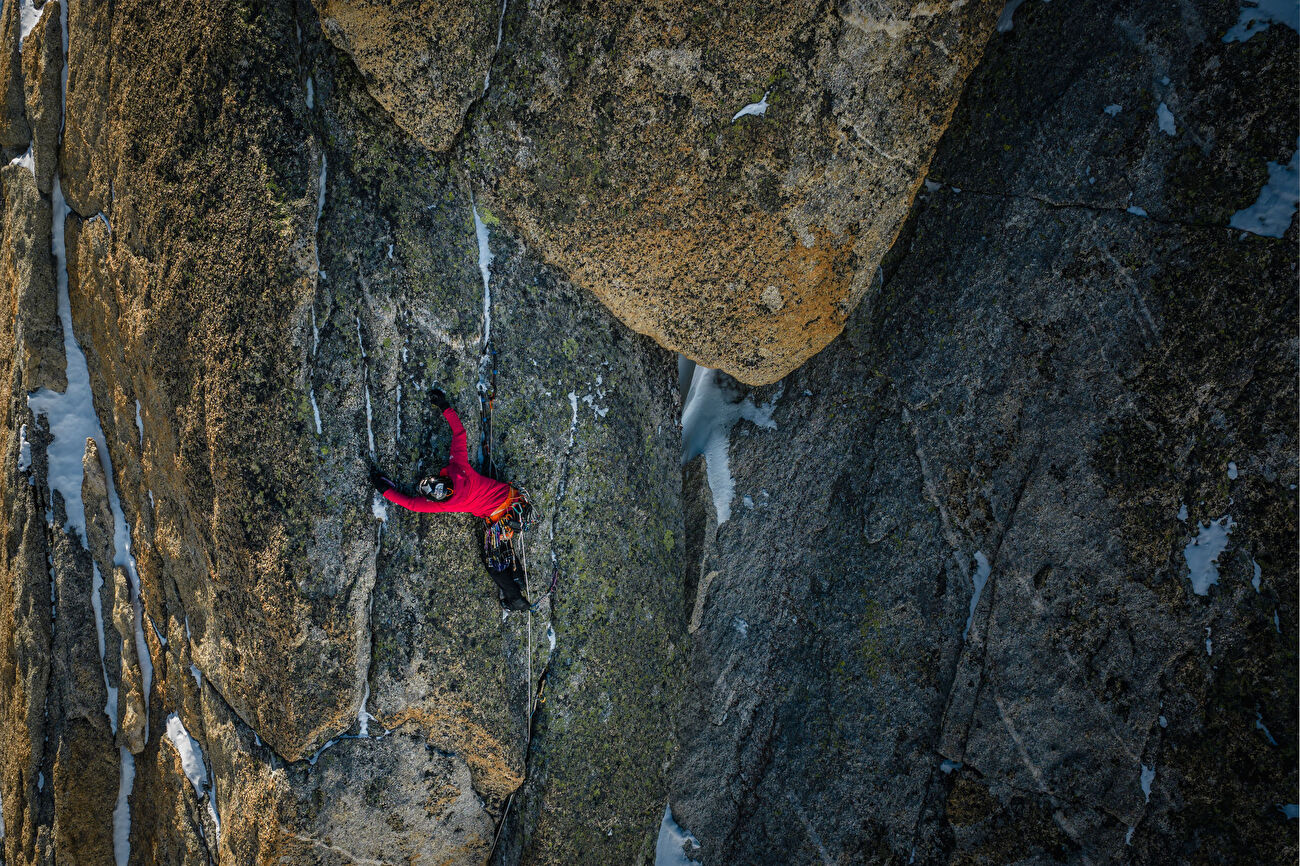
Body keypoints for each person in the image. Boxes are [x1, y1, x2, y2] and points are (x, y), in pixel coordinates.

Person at [370, 388, 534, 611]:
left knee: (493, 562)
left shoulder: (447, 503)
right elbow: (460, 433)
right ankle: (517, 578)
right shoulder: (459, 467)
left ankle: (515, 598)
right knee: (501, 547)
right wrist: (445, 406)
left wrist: (384, 489)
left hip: (503, 513)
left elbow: (410, 504)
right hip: (512, 499)